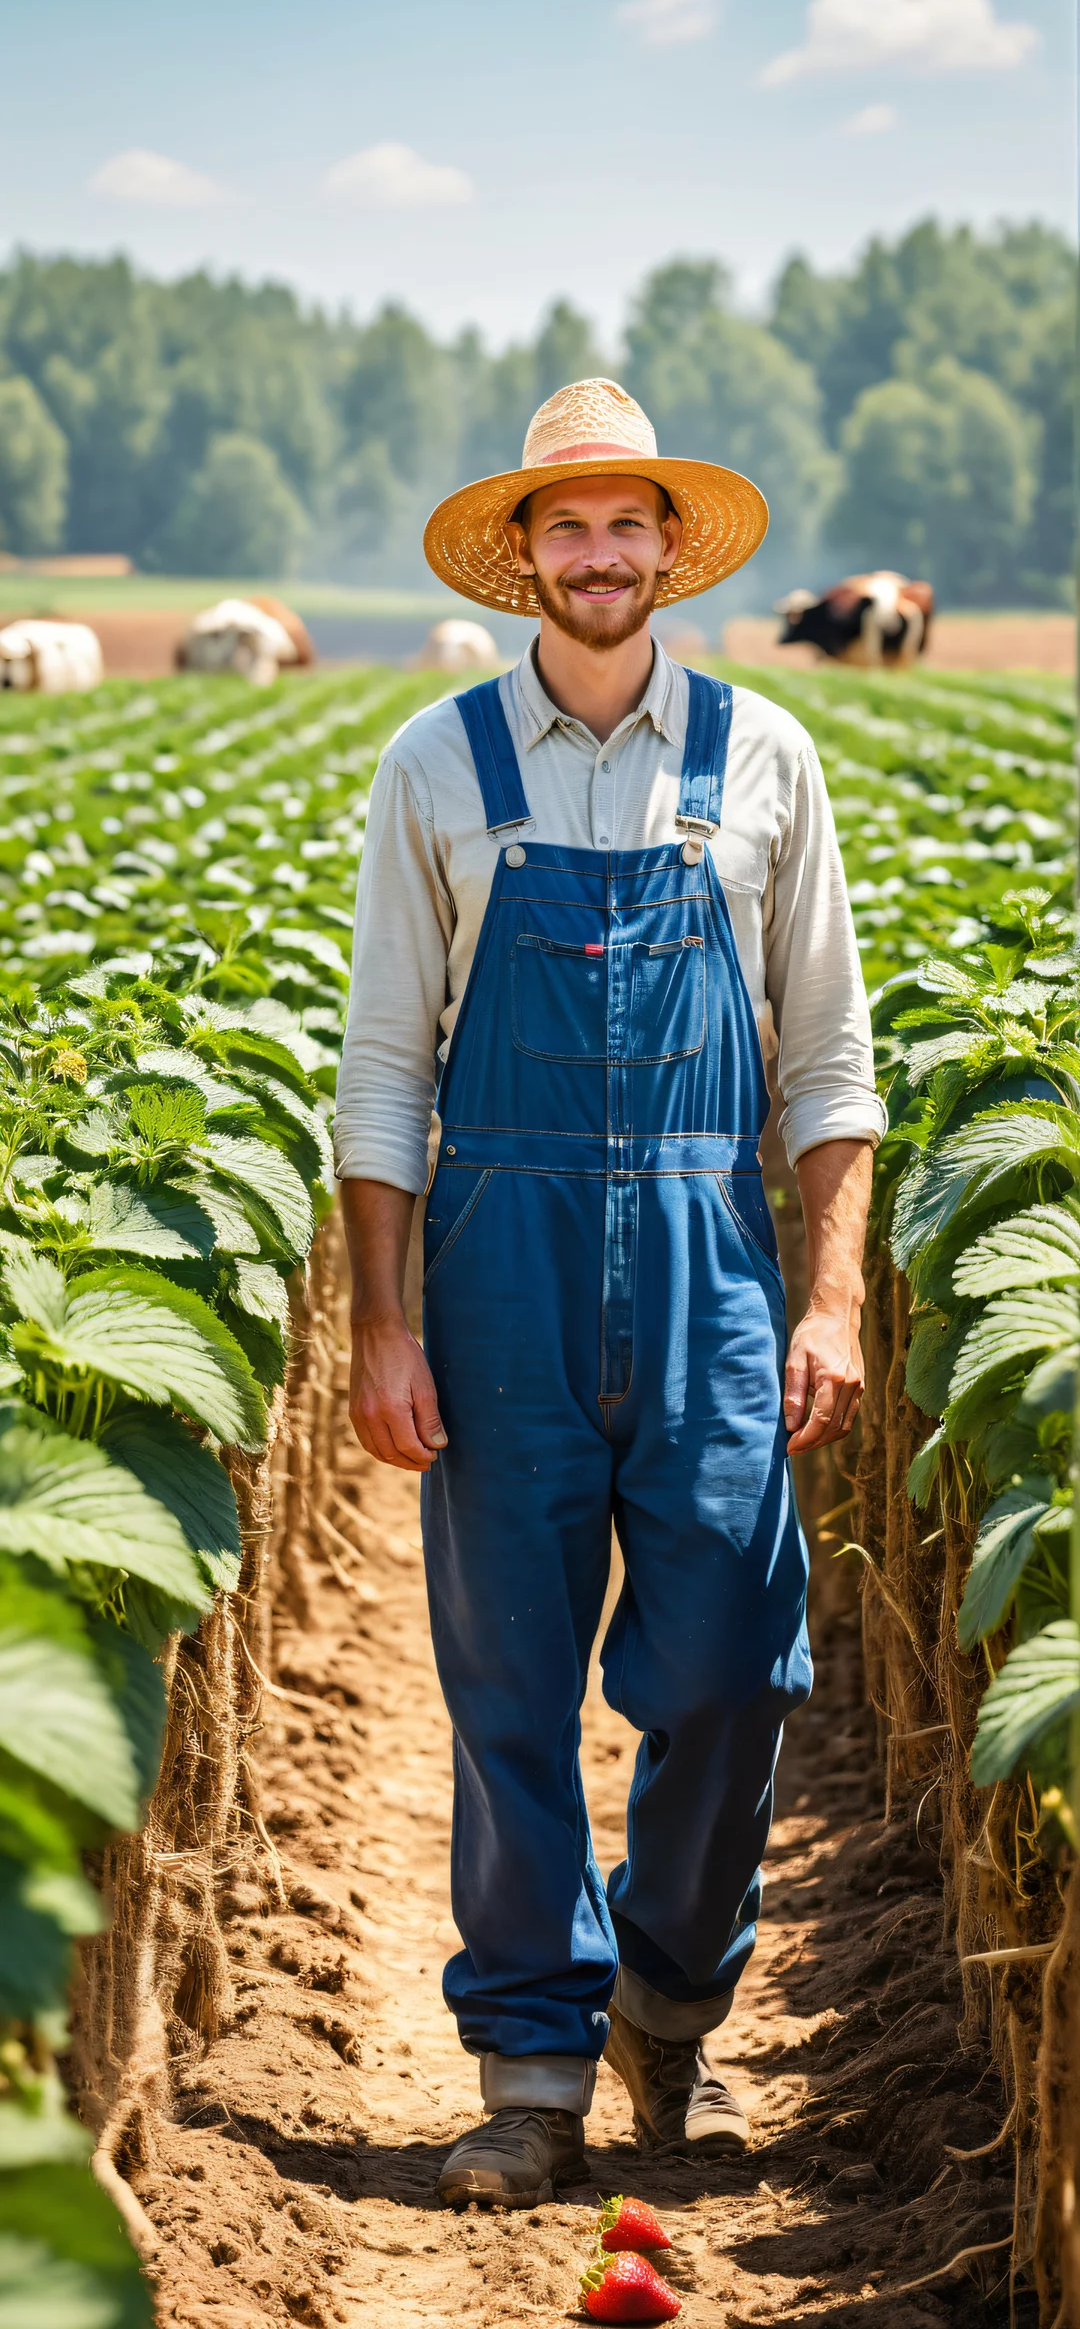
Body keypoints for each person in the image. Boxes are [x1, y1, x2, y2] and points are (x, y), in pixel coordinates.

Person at [334, 378, 886, 2208]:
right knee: (506, 1677)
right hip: (501, 1274)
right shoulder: (437, 766)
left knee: (738, 1658)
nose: (595, 554)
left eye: (623, 523)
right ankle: (531, 2063)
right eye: (562, 527)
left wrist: (834, 1302)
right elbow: (384, 1085)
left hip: (717, 1263)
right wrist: (385, 1324)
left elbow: (826, 1068)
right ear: (523, 558)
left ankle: (665, 1990)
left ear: (668, 547)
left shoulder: (763, 759)